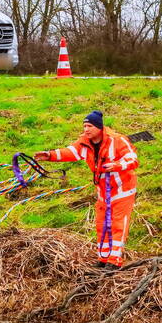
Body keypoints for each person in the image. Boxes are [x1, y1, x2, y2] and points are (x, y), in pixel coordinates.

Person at [34, 110, 139, 269]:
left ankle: (114, 261)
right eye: (84, 126)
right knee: (102, 224)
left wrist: (116, 166)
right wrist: (49, 155)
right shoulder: (85, 143)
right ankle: (103, 258)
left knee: (118, 225)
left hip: (122, 190)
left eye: (89, 126)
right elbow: (70, 152)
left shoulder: (117, 141)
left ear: (99, 127)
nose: (86, 129)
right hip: (103, 193)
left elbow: (132, 159)